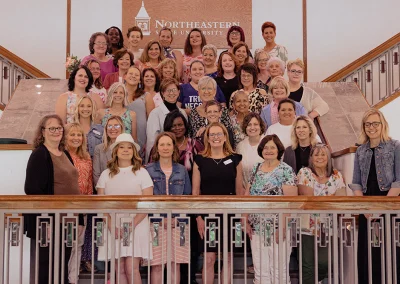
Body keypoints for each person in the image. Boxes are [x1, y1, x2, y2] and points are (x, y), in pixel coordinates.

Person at [24, 114, 81, 284]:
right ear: (43, 132)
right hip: (48, 222)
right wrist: (46, 220)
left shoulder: (64, 153)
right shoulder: (40, 154)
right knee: (46, 266)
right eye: (52, 128)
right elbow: (32, 189)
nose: (56, 131)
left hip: (68, 220)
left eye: (59, 128)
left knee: (62, 265)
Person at [349, 109, 400, 283]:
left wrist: (383, 207)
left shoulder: (395, 146)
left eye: (375, 123)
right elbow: (355, 182)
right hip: (367, 207)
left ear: (382, 125)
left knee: (391, 251)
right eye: (368, 124)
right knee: (368, 252)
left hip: (389, 205)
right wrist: (364, 207)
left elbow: (398, 181)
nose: (372, 127)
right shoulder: (360, 151)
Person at [96, 133, 153, 284]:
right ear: (115, 151)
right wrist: (111, 226)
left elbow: (148, 203)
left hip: (137, 225)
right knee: (119, 268)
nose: (126, 150)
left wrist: (131, 225)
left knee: (131, 268)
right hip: (113, 226)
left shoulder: (142, 173)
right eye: (122, 147)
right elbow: (101, 205)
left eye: (129, 147)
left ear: (134, 151)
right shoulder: (105, 174)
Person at [192, 122, 244, 284]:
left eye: (218, 134)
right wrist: (198, 217)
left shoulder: (235, 159)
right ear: (207, 138)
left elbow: (239, 192)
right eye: (212, 134)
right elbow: (195, 191)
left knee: (228, 258)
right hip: (210, 218)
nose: (215, 137)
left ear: (224, 137)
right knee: (209, 258)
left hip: (230, 217)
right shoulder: (199, 160)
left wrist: (241, 217)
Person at [244, 134, 297, 284]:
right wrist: (244, 218)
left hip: (278, 227)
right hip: (257, 227)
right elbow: (247, 195)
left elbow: (290, 201)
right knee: (261, 270)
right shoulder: (256, 168)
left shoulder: (285, 170)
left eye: (272, 147)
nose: (268, 150)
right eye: (265, 147)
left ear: (279, 150)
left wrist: (283, 225)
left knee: (279, 270)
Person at [145, 132, 191, 284]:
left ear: (174, 148)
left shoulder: (182, 170)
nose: (165, 148)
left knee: (175, 264)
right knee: (157, 264)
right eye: (162, 144)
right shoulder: (148, 170)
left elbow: (187, 196)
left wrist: (177, 219)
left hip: (179, 225)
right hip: (156, 224)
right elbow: (146, 199)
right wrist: (159, 219)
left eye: (168, 144)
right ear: (157, 148)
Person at [297, 143, 346, 284]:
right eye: (316, 154)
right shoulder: (304, 172)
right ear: (311, 158)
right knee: (307, 264)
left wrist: (329, 202)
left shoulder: (337, 175)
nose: (319, 157)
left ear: (328, 157)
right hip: (307, 226)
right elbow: (309, 199)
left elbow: (340, 201)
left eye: (323, 154)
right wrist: (330, 199)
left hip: (328, 227)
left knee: (325, 262)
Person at [65, 123, 94, 284]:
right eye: (72, 135)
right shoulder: (62, 155)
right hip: (67, 208)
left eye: (79, 135)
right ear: (66, 137)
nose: (76, 138)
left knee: (78, 245)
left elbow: (89, 185)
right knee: (68, 244)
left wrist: (86, 207)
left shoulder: (86, 157)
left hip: (82, 208)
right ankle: (64, 277)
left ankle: (73, 279)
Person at [146, 78, 188, 162]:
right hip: (162, 157)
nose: (171, 93)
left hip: (181, 157)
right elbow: (151, 140)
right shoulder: (155, 113)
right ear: (162, 93)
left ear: (179, 92)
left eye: (174, 90)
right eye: (168, 90)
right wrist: (153, 159)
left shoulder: (183, 112)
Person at [163, 110, 204, 177]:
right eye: (173, 126)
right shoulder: (162, 146)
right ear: (168, 127)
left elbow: (203, 168)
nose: (177, 128)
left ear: (185, 125)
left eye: (180, 125)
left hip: (190, 184)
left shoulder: (195, 145)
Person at [125, 66, 154, 159]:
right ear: (125, 76)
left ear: (140, 80)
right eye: (131, 74)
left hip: (141, 136)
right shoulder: (118, 94)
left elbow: (151, 119)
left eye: (136, 75)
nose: (133, 76)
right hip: (123, 134)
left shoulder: (146, 96)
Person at [236, 113, 266, 188]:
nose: (252, 127)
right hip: (245, 192)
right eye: (249, 125)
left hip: (265, 191)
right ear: (245, 128)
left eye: (255, 124)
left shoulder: (268, 144)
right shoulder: (240, 146)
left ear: (261, 126)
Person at [93, 115, 125, 185]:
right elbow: (96, 175)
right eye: (109, 126)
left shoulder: (130, 148)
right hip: (104, 191)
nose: (113, 129)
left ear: (122, 128)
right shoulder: (99, 149)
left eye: (116, 126)